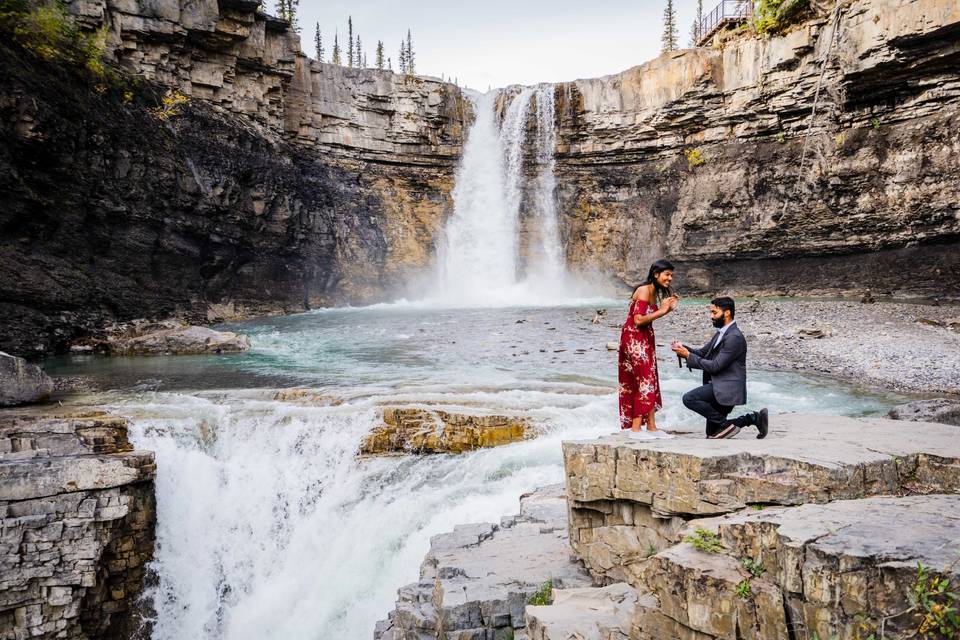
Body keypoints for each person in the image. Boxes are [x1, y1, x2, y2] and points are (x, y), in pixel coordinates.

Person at [670, 297, 769, 439]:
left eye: (714, 312)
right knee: (711, 433)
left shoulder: (734, 337)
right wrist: (683, 349)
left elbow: (715, 366)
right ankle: (753, 418)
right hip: (719, 386)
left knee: (689, 398)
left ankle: (726, 424)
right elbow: (703, 353)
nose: (711, 316)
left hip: (727, 389)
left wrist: (688, 356)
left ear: (727, 312)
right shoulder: (722, 333)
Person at [618, 259, 679, 438]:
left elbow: (648, 318)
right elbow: (637, 320)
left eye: (671, 275)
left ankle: (651, 427)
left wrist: (666, 310)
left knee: (649, 379)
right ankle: (636, 429)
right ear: (655, 274)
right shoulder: (644, 290)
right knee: (644, 380)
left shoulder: (652, 292)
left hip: (643, 339)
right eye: (667, 274)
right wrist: (663, 310)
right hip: (634, 340)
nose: (670, 278)